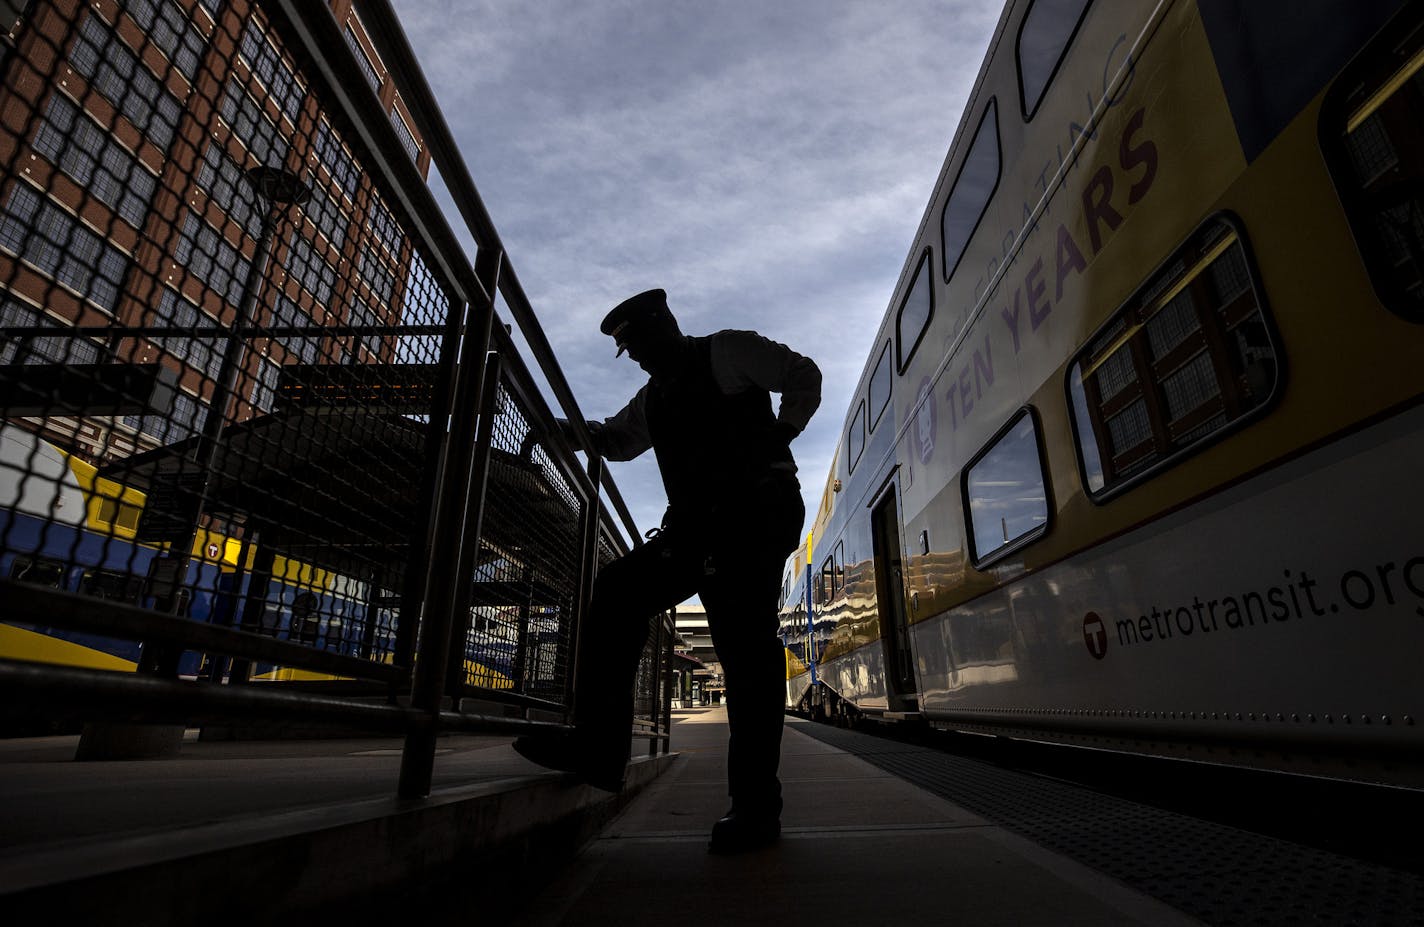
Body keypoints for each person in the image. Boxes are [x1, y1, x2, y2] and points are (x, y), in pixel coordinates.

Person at [514, 287, 821, 854]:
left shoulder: (729, 351)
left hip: (755, 513)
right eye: (630, 352)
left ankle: (755, 808)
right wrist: (567, 431)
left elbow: (802, 373)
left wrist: (783, 432)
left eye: (643, 344)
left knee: (745, 651)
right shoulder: (651, 400)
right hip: (696, 528)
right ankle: (598, 749)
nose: (639, 358)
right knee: (617, 590)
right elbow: (617, 439)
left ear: (668, 328)